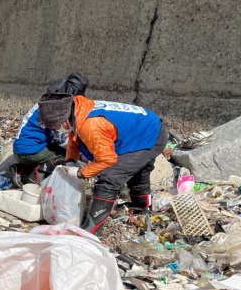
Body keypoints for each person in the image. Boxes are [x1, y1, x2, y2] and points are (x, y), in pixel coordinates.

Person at [38, 92, 168, 236]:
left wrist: (81, 173)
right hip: (145, 126)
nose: (56, 131)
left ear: (64, 122)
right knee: (137, 170)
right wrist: (70, 162)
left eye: (55, 128)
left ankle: (91, 231)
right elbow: (74, 138)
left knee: (111, 176)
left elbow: (107, 159)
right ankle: (140, 209)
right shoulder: (78, 111)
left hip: (150, 134)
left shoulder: (91, 125)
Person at [8, 73, 89, 187]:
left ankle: (23, 168)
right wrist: (81, 152)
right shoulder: (55, 110)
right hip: (28, 151)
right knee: (67, 157)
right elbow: (61, 139)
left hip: (23, 148)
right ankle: (29, 177)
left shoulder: (47, 102)